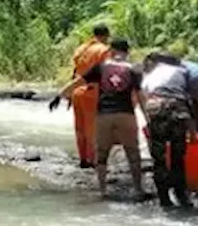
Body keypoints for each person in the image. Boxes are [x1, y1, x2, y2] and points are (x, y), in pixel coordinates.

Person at [79, 38, 144, 200]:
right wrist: (148, 117)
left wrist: (60, 94)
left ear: (111, 51)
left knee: (102, 154)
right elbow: (141, 97)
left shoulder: (101, 67)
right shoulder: (134, 69)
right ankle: (137, 189)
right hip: (126, 114)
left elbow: (80, 80)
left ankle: (103, 191)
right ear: (127, 52)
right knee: (133, 153)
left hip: (104, 115)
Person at [51, 23, 112, 167]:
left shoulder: (81, 48)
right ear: (106, 36)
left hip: (77, 91)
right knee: (93, 127)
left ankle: (83, 158)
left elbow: (75, 71)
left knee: (80, 127)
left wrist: (68, 93)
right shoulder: (104, 50)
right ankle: (93, 160)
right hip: (93, 91)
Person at [140, 51, 195, 208]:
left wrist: (149, 122)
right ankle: (182, 195)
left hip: (156, 109)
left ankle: (164, 198)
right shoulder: (182, 71)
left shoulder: (151, 74)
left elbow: (145, 96)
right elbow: (187, 100)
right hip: (177, 109)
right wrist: (192, 132)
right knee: (178, 157)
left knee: (159, 158)